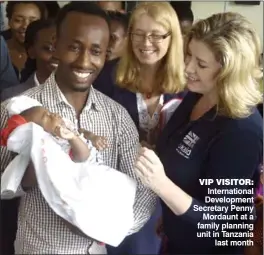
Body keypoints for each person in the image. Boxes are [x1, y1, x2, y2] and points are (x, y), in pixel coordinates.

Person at [0, 2, 156, 254]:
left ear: (106, 54)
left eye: (96, 51)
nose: (84, 61)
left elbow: (144, 190)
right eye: (74, 47)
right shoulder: (20, 109)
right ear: (56, 45)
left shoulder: (118, 116)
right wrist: (30, 173)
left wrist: (103, 227)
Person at [134, 12, 263, 254]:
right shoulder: (197, 95)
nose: (188, 68)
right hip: (177, 239)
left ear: (229, 72)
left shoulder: (241, 130)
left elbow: (224, 224)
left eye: (201, 64)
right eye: (189, 55)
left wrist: (161, 184)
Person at [105, 2, 186, 255]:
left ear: (172, 37)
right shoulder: (109, 75)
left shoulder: (189, 80)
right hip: (118, 190)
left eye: (156, 35)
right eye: (138, 34)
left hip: (170, 191)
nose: (146, 42)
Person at [1, 19, 59, 101]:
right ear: (31, 51)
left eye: (66, 48)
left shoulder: (81, 94)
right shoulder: (12, 96)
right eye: (49, 48)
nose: (58, 55)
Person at [5, 1, 46, 77]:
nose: (25, 26)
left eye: (32, 21)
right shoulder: (2, 49)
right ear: (9, 21)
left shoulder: (48, 55)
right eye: (18, 20)